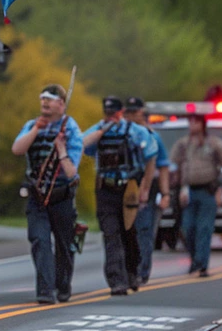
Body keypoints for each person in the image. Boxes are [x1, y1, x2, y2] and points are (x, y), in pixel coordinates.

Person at [11, 83, 84, 304]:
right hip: (37, 196)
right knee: (39, 241)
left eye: (49, 99)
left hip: (61, 196)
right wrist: (35, 130)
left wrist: (62, 150)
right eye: (42, 99)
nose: (44, 103)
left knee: (64, 245)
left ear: (61, 104)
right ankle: (45, 290)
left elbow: (72, 172)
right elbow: (17, 149)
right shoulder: (32, 125)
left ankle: (62, 286)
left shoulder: (71, 129)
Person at [82, 96, 155, 295]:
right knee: (111, 234)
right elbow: (81, 145)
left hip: (129, 188)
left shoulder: (134, 131)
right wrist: (103, 129)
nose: (111, 116)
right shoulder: (98, 130)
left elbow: (151, 153)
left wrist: (145, 189)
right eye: (107, 113)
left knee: (129, 234)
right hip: (105, 189)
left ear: (121, 112)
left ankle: (132, 272)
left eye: (114, 113)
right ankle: (116, 280)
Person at [169, 114, 222, 277]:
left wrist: (220, 190)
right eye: (190, 122)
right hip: (189, 191)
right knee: (188, 227)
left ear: (202, 125)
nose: (192, 125)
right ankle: (194, 259)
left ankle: (201, 264)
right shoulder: (183, 144)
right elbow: (174, 165)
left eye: (195, 122)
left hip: (208, 191)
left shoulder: (214, 144)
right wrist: (179, 187)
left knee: (204, 228)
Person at [126, 97, 170, 287]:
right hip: (126, 187)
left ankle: (141, 272)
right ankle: (127, 270)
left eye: (135, 112)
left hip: (147, 189)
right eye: (129, 112)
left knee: (144, 231)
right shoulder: (123, 134)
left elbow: (163, 167)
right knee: (127, 231)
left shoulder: (153, 136)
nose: (132, 115)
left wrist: (165, 193)